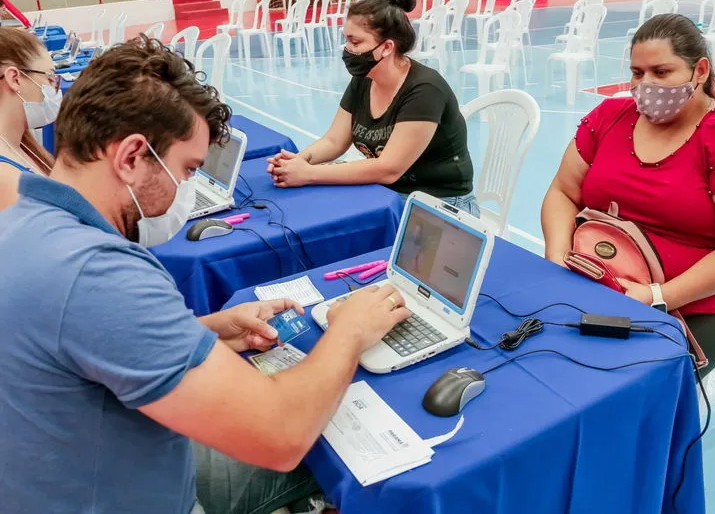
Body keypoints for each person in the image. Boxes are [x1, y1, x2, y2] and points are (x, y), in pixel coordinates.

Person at [0, 35, 411, 514]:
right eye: (188, 169)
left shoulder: (26, 221)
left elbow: (85, 342)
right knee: (349, 453)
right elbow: (280, 435)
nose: (187, 189)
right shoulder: (98, 272)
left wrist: (211, 330)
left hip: (89, 470)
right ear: (132, 156)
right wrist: (351, 329)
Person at [540, 14, 715, 376]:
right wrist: (558, 256)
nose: (646, 85)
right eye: (638, 73)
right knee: (534, 356)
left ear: (699, 71)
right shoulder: (609, 116)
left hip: (695, 306)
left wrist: (659, 296)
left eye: (661, 72)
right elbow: (563, 191)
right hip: (597, 278)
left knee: (617, 392)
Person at [267, 0, 480, 217]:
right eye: (346, 40)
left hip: (440, 204)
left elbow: (388, 169)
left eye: (355, 42)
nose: (347, 49)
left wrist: (308, 174)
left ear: (387, 47)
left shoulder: (425, 89)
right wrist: (299, 162)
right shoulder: (364, 79)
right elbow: (334, 141)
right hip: (387, 192)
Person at [0, 27, 58, 210]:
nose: (54, 87)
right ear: (15, 79)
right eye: (49, 77)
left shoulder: (19, 145)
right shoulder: (8, 181)